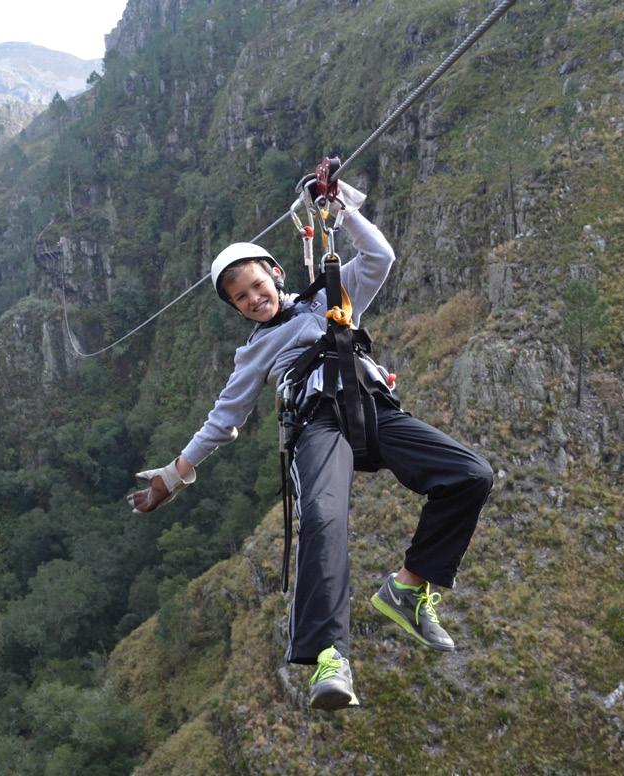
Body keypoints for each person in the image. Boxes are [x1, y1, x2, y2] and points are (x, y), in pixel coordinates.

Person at [126, 172, 493, 711]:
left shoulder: (329, 295)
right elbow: (223, 419)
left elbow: (380, 257)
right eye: (241, 298)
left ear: (276, 274)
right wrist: (172, 476)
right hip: (316, 426)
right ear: (235, 309)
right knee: (323, 517)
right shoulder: (255, 351)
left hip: (370, 410)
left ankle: (409, 588)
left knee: (471, 475)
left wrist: (339, 207)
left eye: (257, 286)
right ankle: (330, 656)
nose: (254, 300)